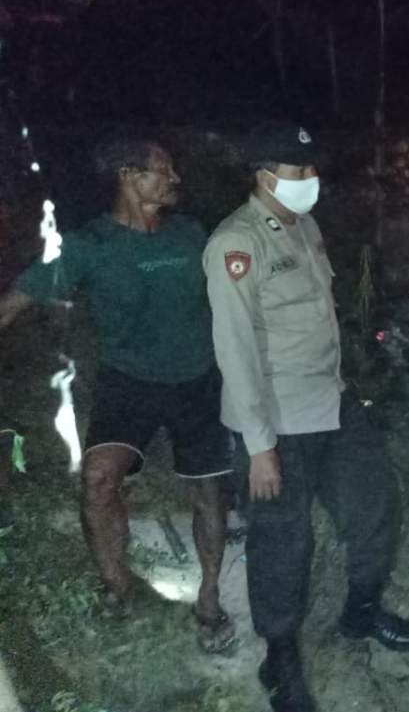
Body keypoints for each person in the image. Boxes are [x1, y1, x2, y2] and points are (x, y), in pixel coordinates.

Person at [204, 122, 409, 712]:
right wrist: (258, 445)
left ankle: (361, 612)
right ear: (263, 174)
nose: (310, 180)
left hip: (332, 403)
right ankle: (280, 658)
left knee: (375, 503)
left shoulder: (307, 227)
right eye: (297, 171)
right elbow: (236, 350)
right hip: (275, 421)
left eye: (311, 169)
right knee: (283, 541)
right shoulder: (236, 244)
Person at [0, 135, 234, 652]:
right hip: (128, 383)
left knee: (209, 492)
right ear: (129, 175)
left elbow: (239, 290)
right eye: (162, 170)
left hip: (197, 381)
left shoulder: (191, 236)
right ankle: (117, 588)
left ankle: (211, 598)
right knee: (98, 481)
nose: (175, 179)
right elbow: (17, 299)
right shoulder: (90, 245)